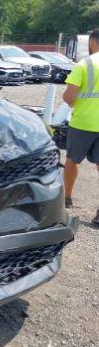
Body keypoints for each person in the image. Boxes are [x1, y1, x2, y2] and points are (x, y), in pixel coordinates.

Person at [62, 28, 99, 225]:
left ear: (93, 42)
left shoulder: (85, 64)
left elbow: (69, 95)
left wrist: (73, 103)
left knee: (72, 161)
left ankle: (66, 199)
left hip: (83, 123)